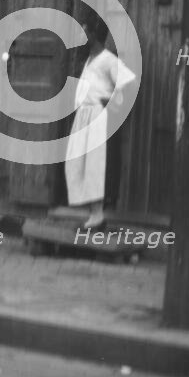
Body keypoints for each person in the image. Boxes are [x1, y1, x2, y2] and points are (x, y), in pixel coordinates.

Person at [65, 12, 135, 229]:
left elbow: (127, 87)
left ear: (94, 34)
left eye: (85, 30)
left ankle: (97, 215)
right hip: (83, 117)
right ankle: (92, 213)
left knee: (94, 165)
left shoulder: (108, 60)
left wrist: (109, 103)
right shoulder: (88, 60)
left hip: (96, 117)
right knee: (76, 162)